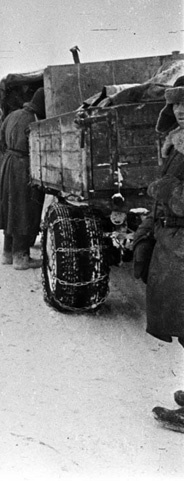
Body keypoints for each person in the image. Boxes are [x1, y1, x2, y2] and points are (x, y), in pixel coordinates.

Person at [132, 79, 184, 433]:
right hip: (173, 241)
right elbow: (160, 199)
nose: (181, 111)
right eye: (178, 105)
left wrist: (171, 190)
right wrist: (146, 229)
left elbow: (173, 195)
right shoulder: (176, 144)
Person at [0, 88, 46, 270]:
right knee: (23, 209)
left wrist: (10, 155)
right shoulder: (35, 120)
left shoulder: (12, 114)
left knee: (10, 208)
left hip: (7, 164)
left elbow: (0, 142)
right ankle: (21, 257)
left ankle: (7, 253)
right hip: (23, 167)